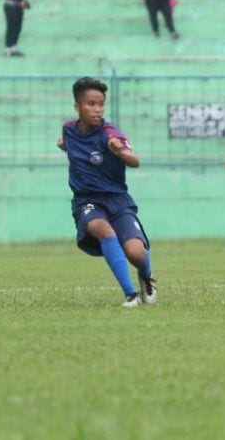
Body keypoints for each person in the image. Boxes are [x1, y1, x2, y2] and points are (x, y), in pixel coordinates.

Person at [57, 77, 156, 307]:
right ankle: (130, 294)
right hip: (87, 201)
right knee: (101, 228)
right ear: (77, 107)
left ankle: (146, 275)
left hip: (117, 200)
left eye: (101, 104)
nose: (97, 109)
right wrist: (64, 146)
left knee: (136, 253)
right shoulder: (69, 130)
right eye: (91, 104)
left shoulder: (110, 133)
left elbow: (135, 161)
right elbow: (74, 147)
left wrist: (120, 152)